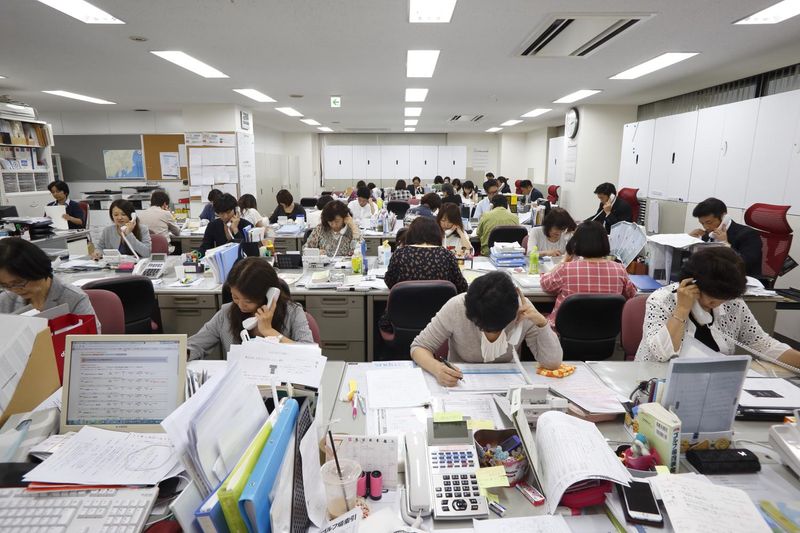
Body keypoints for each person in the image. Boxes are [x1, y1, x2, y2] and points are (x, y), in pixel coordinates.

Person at [636, 247, 800, 368]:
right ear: (693, 283)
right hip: (656, 381)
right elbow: (661, 355)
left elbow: (762, 344)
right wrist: (682, 310)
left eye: (724, 300)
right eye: (712, 301)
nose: (719, 305)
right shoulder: (662, 300)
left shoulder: (733, 302)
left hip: (713, 382)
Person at [410, 271, 563, 386]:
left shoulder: (523, 310)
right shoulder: (457, 306)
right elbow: (419, 347)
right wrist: (437, 368)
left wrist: (542, 323)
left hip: (508, 384)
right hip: (461, 385)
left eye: (498, 329)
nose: (489, 333)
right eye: (481, 327)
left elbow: (552, 363)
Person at [187, 258, 313, 359]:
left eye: (248, 301)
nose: (241, 305)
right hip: (239, 381)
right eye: (235, 297)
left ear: (268, 295)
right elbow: (195, 345)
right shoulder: (226, 314)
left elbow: (310, 354)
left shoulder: (293, 313)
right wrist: (184, 354)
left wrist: (269, 331)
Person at [540, 221, 637, 327]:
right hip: (606, 331)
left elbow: (545, 284)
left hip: (566, 330)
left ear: (577, 243)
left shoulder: (566, 269)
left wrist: (563, 261)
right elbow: (631, 294)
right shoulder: (619, 270)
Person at [0, 237, 96, 317]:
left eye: (19, 282)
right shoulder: (5, 301)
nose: (15, 290)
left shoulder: (73, 298)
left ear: (36, 269)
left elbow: (88, 334)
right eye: (5, 285)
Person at [384, 217, 468, 293]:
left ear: (411, 233)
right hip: (441, 305)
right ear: (437, 234)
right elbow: (462, 287)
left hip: (406, 304)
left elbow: (390, 282)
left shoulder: (400, 254)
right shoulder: (447, 255)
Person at [688, 197, 762, 277]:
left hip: (741, 279)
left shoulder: (748, 234)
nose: (706, 227)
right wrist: (689, 242)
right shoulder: (707, 236)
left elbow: (745, 264)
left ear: (723, 217)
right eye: (702, 223)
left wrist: (725, 245)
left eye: (709, 222)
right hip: (713, 279)